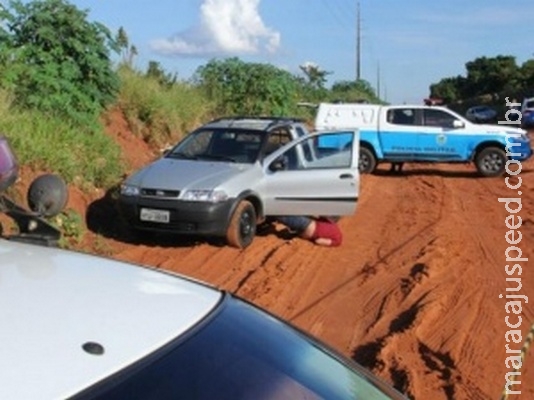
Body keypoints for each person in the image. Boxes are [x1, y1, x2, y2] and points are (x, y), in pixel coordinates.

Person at [275, 216, 342, 247]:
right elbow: (318, 241)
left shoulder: (334, 226)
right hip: (306, 227)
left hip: (307, 222)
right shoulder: (337, 241)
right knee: (279, 215)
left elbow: (321, 218)